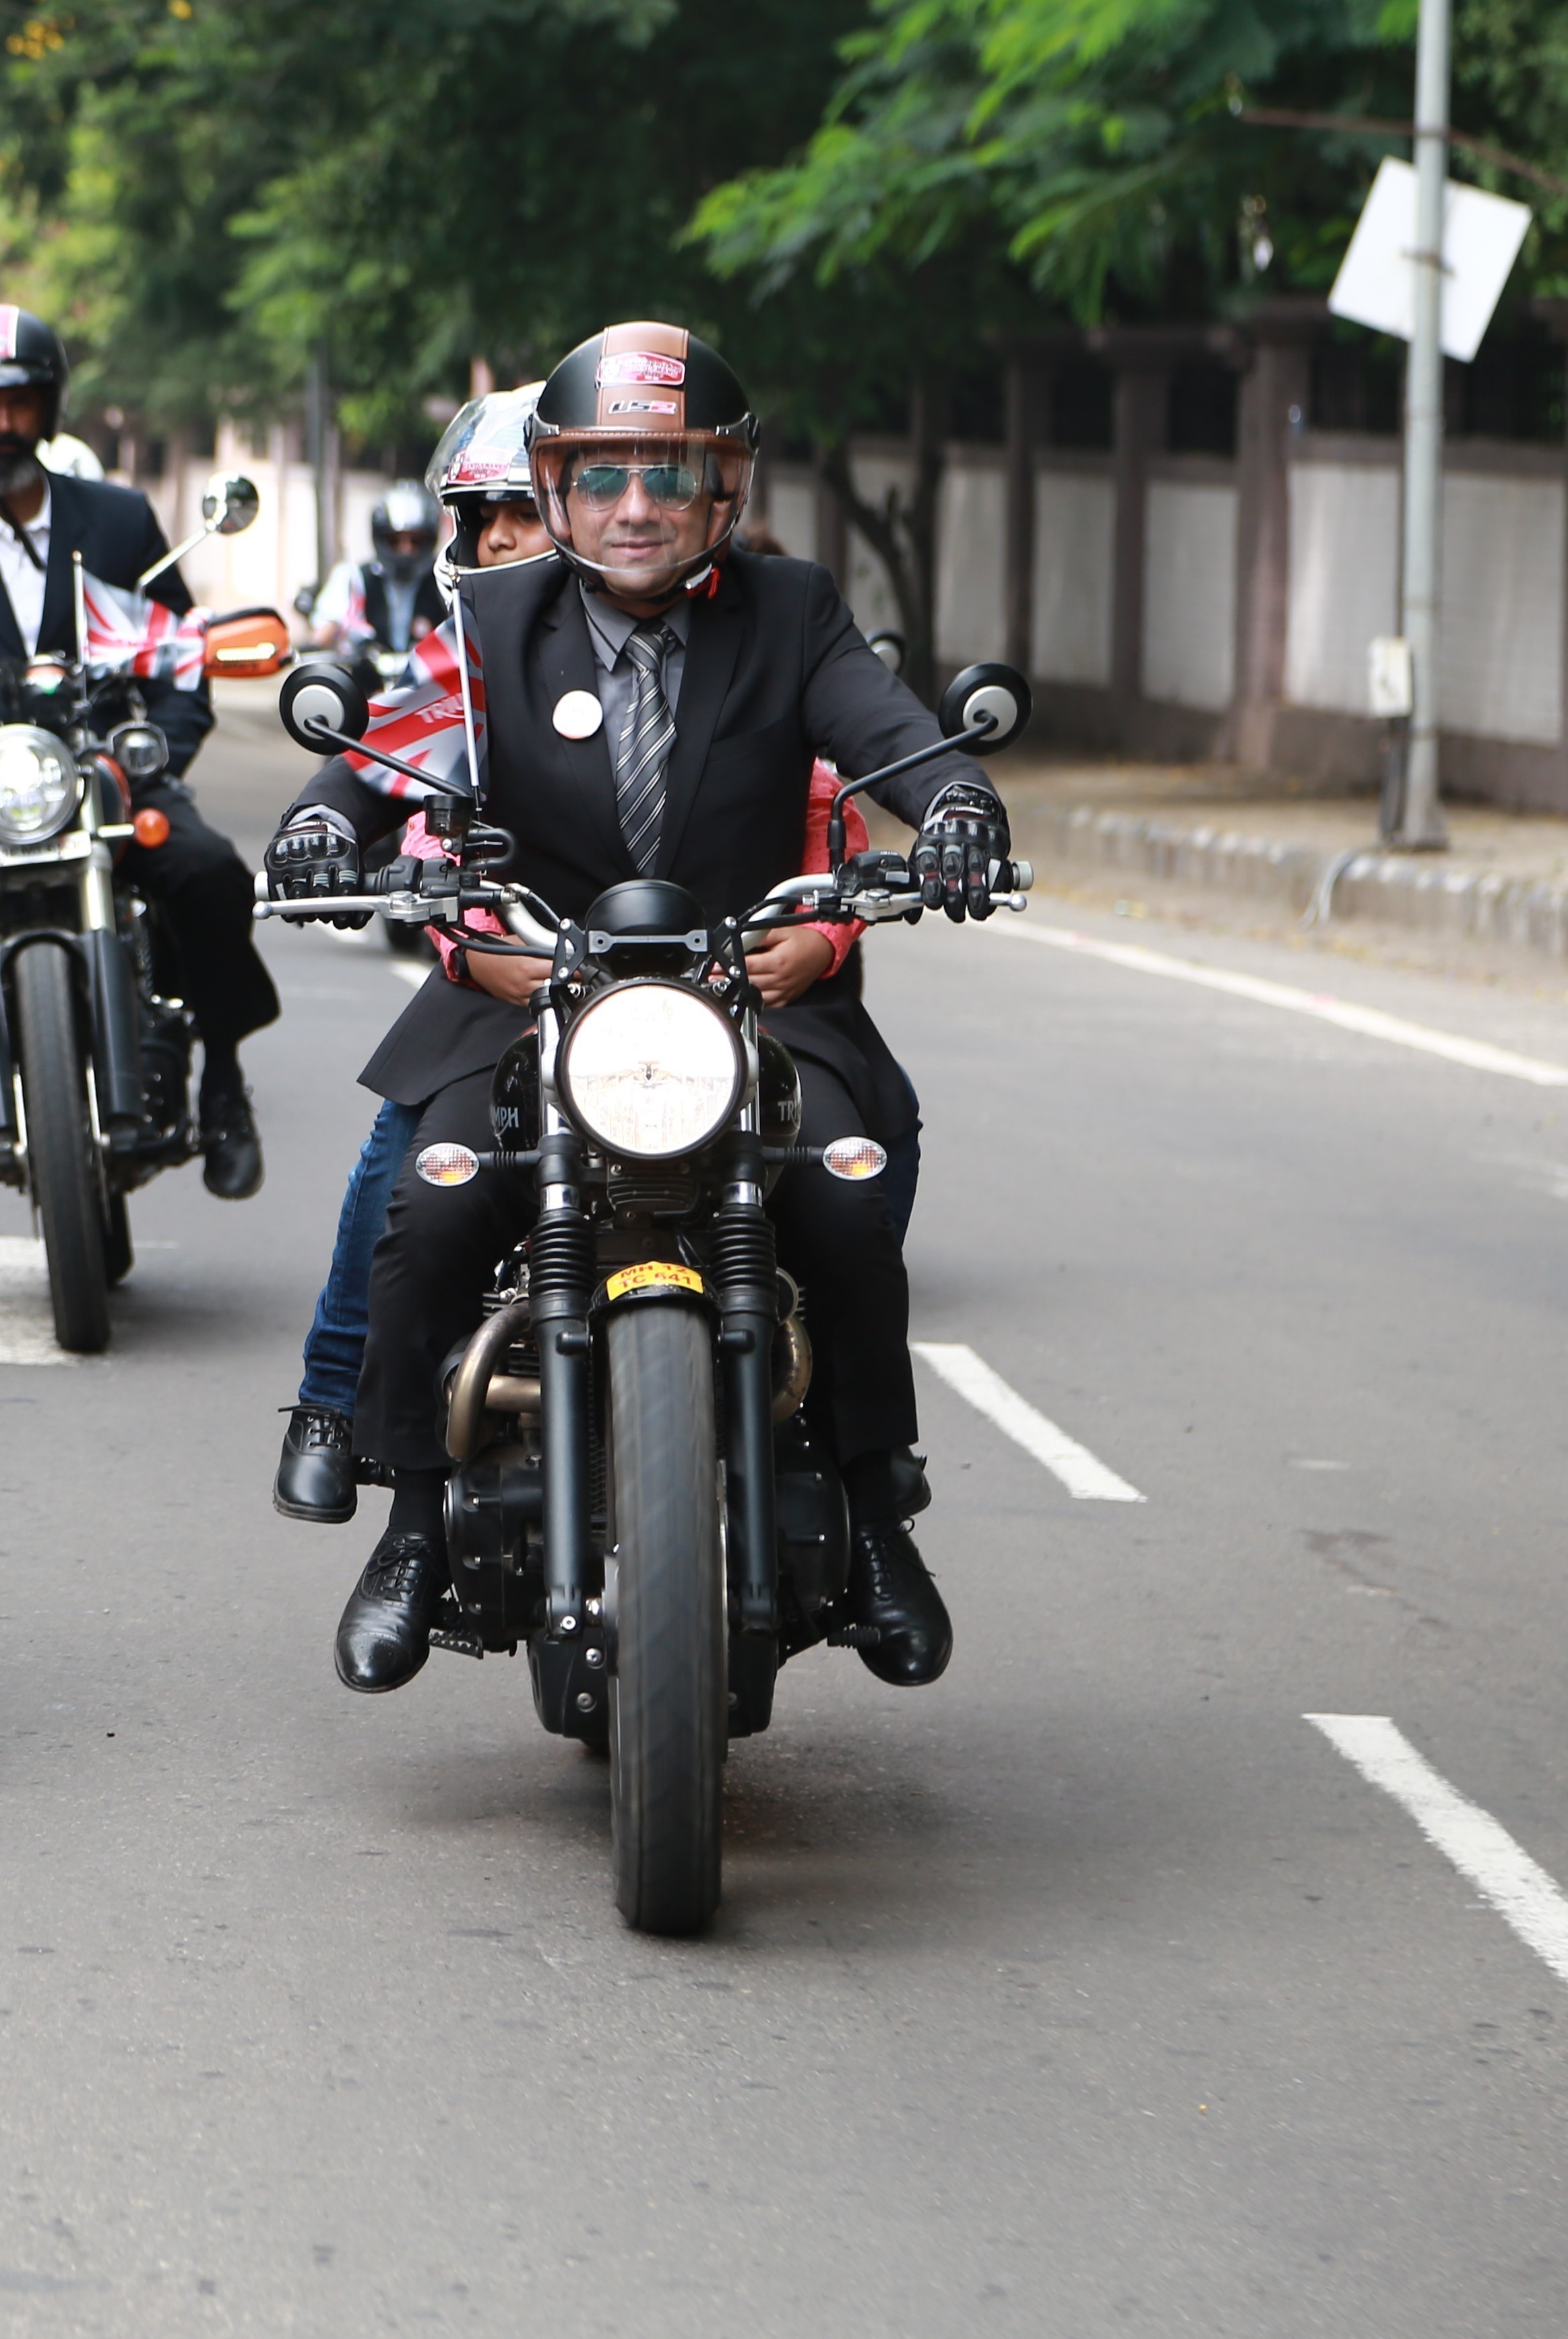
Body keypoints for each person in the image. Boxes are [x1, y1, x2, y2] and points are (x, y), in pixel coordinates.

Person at [261, 321, 1009, 1697]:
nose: (634, 507)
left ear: (725, 489)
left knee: (843, 1198)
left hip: (750, 995)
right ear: (551, 490)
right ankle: (414, 1527)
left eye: (671, 472)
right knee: (425, 1207)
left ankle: (877, 1511)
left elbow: (892, 731)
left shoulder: (792, 613)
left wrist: (956, 803)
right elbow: (391, 755)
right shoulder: (491, 622)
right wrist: (320, 821)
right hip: (544, 993)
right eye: (600, 474)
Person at [0, 303, 279, 1226]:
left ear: (50, 406)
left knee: (212, 875)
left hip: (99, 763)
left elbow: (178, 656)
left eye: (20, 402)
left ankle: (223, 1082)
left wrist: (162, 753)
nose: (2, 424)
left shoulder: (115, 519)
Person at [270, 387, 544, 1524]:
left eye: (520, 514)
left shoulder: (732, 631)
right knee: (405, 1175)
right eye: (479, 520)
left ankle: (866, 1480)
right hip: (509, 975)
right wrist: (320, 825)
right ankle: (339, 1409)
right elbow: (384, 764)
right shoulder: (469, 653)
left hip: (695, 984)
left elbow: (808, 805)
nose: (497, 544)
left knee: (852, 1147)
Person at [319, 481, 443, 664]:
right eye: (394, 540)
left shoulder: (445, 582)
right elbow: (321, 637)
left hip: (432, 689)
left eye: (416, 541)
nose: (405, 550)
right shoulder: (353, 579)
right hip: (366, 687)